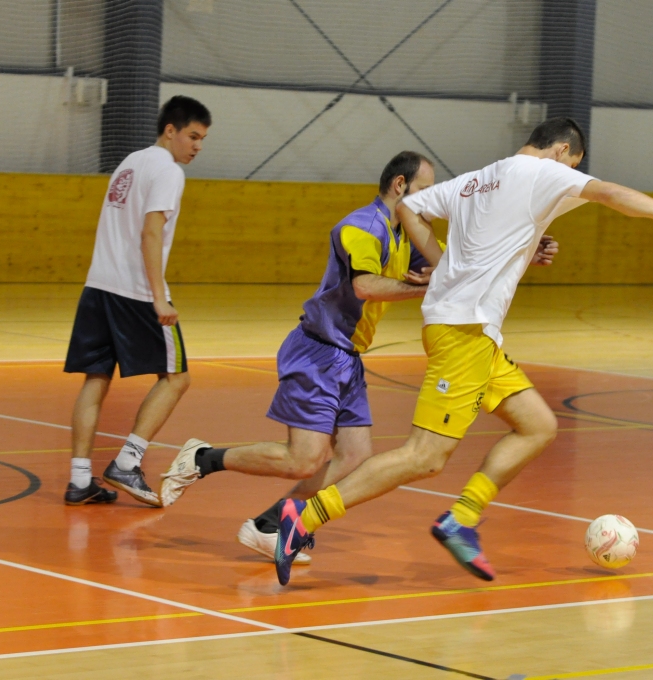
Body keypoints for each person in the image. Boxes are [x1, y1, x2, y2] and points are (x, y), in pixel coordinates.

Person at [267, 116, 653, 585]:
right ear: (562, 151)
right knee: (424, 456)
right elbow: (612, 194)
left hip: (476, 335)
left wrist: (450, 265)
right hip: (464, 334)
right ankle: (304, 517)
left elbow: (411, 209)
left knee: (538, 426)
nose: (570, 176)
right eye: (572, 166)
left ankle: (462, 518)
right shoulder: (544, 172)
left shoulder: (478, 179)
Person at [158, 152, 559, 567]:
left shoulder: (405, 234)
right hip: (317, 351)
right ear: (400, 185)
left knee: (354, 458)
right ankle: (203, 458)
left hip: (348, 358)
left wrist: (523, 251)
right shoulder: (362, 227)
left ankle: (271, 525)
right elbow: (365, 285)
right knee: (303, 459)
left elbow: (460, 267)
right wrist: (427, 288)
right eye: (424, 190)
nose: (431, 200)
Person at [63, 95, 211, 506]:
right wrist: (159, 298)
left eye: (202, 139)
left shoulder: (130, 163)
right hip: (135, 292)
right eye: (193, 136)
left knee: (96, 379)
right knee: (177, 378)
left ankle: (79, 480)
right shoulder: (168, 171)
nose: (197, 146)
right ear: (170, 130)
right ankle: (128, 462)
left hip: (98, 286)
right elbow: (150, 232)